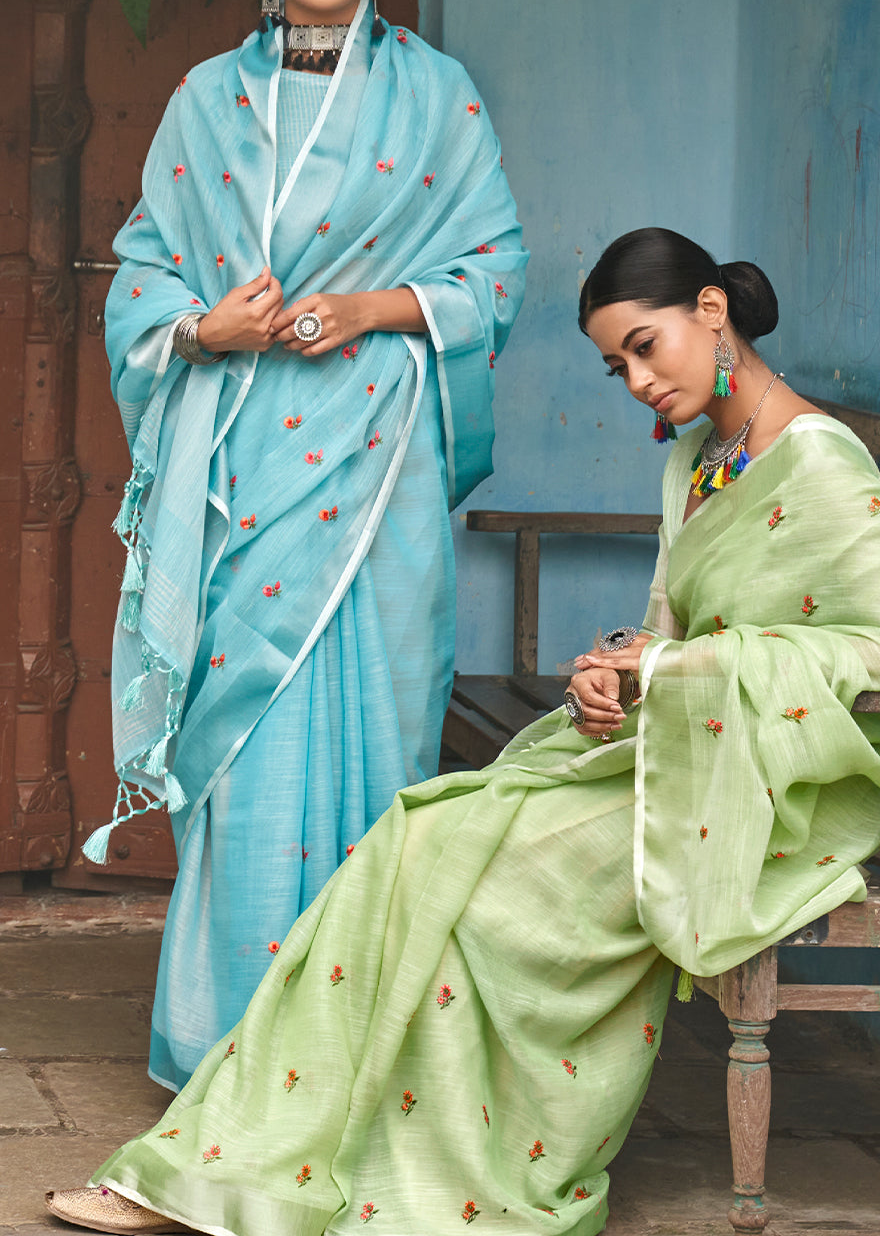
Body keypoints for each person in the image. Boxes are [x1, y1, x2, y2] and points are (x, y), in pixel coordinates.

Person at [48, 227, 880, 1235]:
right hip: (674, 747)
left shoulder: (823, 463)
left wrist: (657, 669)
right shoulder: (704, 459)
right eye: (615, 363)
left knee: (470, 878)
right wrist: (608, 677)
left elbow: (856, 652)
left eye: (644, 346)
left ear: (712, 312)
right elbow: (669, 626)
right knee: (414, 833)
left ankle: (426, 1163)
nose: (632, 380)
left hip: (771, 782)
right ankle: (229, 1162)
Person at [84, 0, 528, 1092]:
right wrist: (200, 328)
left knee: (378, 741)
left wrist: (379, 308)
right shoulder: (203, 102)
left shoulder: (440, 97)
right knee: (246, 741)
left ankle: (354, 1055)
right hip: (240, 468)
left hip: (379, 463)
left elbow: (494, 274)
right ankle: (230, 1049)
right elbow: (145, 268)